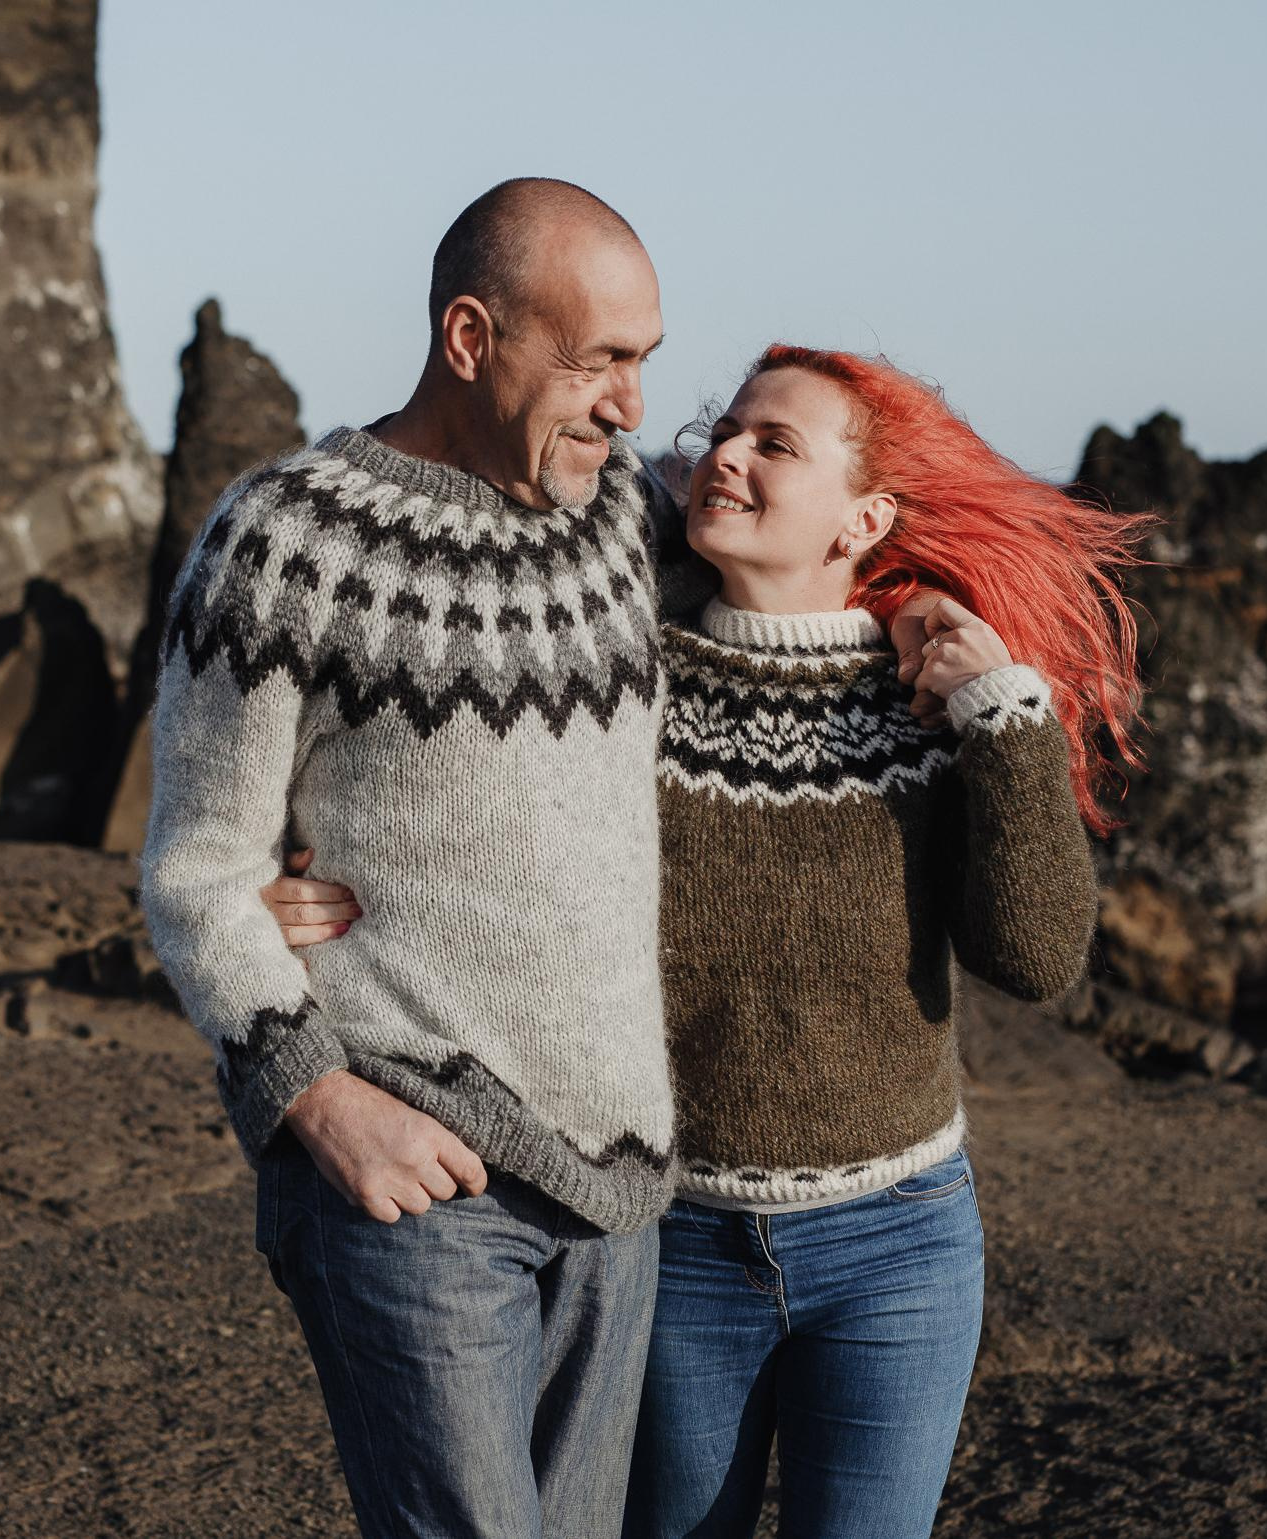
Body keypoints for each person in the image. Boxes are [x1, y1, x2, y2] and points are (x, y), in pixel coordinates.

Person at [269, 344, 1150, 1537]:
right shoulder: (617, 681)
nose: (725, 454)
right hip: (670, 1242)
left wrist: (1004, 714)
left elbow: (1034, 957)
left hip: (897, 1247)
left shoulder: (932, 706)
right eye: (726, 429)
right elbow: (458, 821)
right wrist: (301, 884)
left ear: (867, 515)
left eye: (774, 444)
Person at [137, 177, 679, 1539]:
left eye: (643, 364)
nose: (628, 404)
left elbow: (821, 506)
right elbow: (199, 868)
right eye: (597, 359)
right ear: (470, 337)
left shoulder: (625, 519)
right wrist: (310, 1095)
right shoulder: (282, 544)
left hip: (620, 1185)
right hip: (411, 1168)